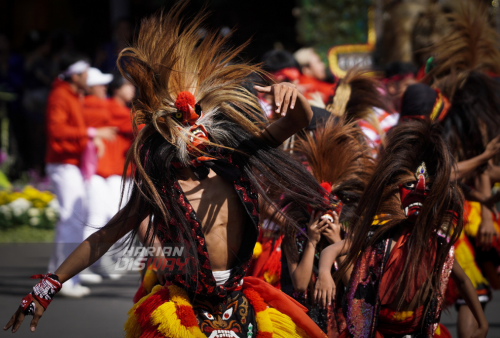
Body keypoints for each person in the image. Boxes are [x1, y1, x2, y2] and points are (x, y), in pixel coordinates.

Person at [5, 4, 331, 337]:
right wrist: (48, 286)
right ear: (163, 131)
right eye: (180, 122)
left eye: (196, 118)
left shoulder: (237, 158)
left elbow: (298, 120)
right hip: (183, 309)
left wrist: (292, 94)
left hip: (242, 303)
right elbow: (104, 236)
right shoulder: (160, 186)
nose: (192, 129)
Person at [315, 120, 488, 338]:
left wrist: (483, 324)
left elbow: (462, 280)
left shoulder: (438, 244)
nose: (418, 195)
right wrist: (324, 274)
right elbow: (332, 250)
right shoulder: (379, 238)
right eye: (409, 187)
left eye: (427, 191)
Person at [281, 117, 374, 335]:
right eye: (319, 213)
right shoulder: (295, 235)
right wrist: (312, 241)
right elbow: (301, 285)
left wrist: (336, 243)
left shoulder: (347, 235)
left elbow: (353, 282)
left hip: (339, 322)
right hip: (305, 320)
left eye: (330, 213)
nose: (324, 220)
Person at [44, 56, 116, 298]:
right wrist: (92, 132)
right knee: (71, 219)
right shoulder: (61, 96)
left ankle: (60, 277)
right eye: (85, 73)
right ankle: (61, 280)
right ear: (74, 76)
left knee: (75, 218)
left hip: (70, 165)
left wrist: (90, 135)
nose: (88, 77)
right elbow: (57, 130)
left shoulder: (71, 95)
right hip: (63, 164)